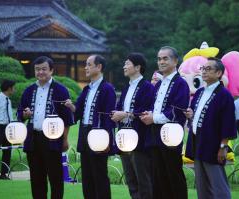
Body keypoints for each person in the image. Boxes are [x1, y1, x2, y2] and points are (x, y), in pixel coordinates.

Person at [17, 56, 74, 199]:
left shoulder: (60, 90)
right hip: (33, 138)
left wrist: (65, 139)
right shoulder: (29, 90)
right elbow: (20, 113)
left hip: (53, 139)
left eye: (44, 69)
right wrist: (24, 114)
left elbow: (67, 118)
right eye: (37, 69)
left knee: (55, 177)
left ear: (51, 70)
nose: (40, 72)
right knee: (36, 178)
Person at [140, 46, 189, 199]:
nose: (161, 62)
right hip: (154, 134)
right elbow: (155, 107)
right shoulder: (159, 84)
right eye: (159, 59)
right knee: (157, 177)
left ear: (175, 61)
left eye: (165, 58)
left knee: (173, 176)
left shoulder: (181, 83)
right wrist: (149, 114)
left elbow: (177, 110)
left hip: (171, 136)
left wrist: (153, 117)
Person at [184, 57, 237, 199]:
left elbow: (228, 123)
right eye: (203, 69)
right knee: (202, 185)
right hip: (197, 142)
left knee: (218, 184)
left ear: (219, 73)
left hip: (213, 145)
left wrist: (223, 147)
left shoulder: (224, 95)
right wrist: (190, 114)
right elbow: (195, 115)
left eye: (208, 69)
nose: (204, 72)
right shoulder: (200, 92)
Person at [65, 55, 116, 199]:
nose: (85, 67)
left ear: (99, 67)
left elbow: (108, 116)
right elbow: (79, 111)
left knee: (99, 174)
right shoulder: (87, 89)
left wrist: (106, 139)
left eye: (88, 64)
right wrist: (70, 106)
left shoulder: (107, 88)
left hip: (99, 135)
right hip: (85, 132)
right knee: (86, 175)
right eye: (85, 64)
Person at [111, 53, 154, 199]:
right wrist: (115, 113)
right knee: (130, 179)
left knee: (143, 179)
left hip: (139, 139)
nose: (124, 66)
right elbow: (120, 108)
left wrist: (125, 114)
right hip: (124, 138)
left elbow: (146, 110)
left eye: (127, 63)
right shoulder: (126, 88)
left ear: (137, 67)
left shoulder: (147, 87)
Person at [0, 80, 16, 180]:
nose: (14, 90)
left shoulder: (8, 100)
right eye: (13, 88)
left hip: (8, 128)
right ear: (9, 88)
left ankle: (3, 174)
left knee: (7, 151)